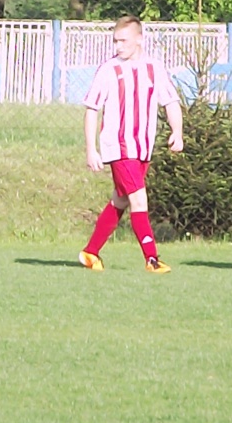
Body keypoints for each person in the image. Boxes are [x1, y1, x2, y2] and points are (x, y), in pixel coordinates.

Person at [79, 15, 184, 274]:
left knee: (121, 200)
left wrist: (178, 132)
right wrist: (92, 149)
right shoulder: (109, 70)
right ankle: (152, 259)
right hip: (119, 147)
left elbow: (171, 101)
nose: (118, 46)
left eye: (123, 41)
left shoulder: (154, 68)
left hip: (142, 148)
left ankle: (90, 252)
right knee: (139, 198)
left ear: (139, 39)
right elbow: (92, 109)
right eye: (115, 41)